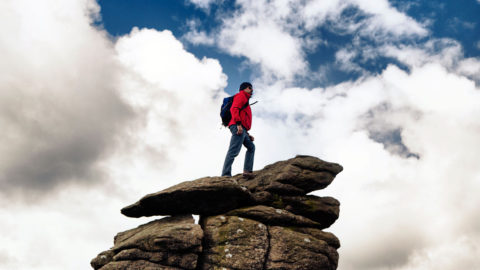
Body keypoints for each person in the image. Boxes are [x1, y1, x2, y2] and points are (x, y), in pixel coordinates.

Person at [221, 82, 255, 178]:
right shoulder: (241, 96)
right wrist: (239, 125)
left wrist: (247, 134)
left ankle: (247, 171)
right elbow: (234, 109)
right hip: (237, 126)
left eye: (252, 88)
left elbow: (243, 116)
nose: (252, 90)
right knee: (233, 151)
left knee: (251, 147)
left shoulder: (246, 100)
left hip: (242, 128)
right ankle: (225, 175)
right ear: (244, 88)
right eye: (249, 88)